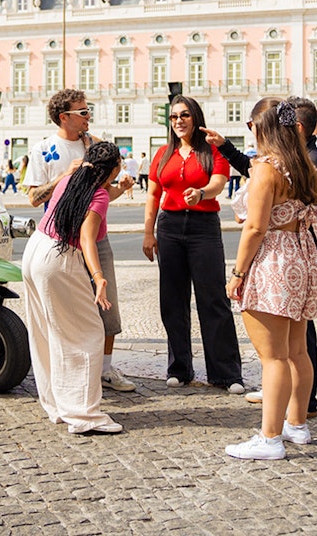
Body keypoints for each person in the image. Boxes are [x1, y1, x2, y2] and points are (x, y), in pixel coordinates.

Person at [203, 96, 317, 416]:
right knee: (298, 352)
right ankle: (297, 424)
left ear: (263, 127)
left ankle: (271, 436)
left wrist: (238, 274)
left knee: (273, 358)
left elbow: (256, 228)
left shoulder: (265, 168)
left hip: (274, 258)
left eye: (252, 126)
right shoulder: (302, 164)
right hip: (301, 255)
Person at [25, 89, 136, 392]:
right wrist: (64, 176)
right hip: (63, 242)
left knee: (107, 307)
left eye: (89, 110)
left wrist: (121, 186)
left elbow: (101, 196)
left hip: (97, 237)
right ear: (65, 117)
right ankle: (66, 373)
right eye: (84, 112)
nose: (89, 116)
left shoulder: (95, 145)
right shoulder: (44, 149)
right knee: (65, 311)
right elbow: (34, 197)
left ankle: (106, 369)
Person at [142, 95, 245, 394]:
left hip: (204, 228)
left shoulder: (212, 150)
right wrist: (149, 233)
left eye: (184, 115)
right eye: (174, 117)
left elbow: (218, 183)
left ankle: (225, 373)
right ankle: (179, 368)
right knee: (172, 301)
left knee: (213, 299)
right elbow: (152, 196)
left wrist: (201, 194)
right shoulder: (162, 153)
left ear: (196, 117)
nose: (179, 121)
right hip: (170, 227)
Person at [21, 141, 125, 434]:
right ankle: (84, 416)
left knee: (47, 332)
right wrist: (99, 276)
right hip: (59, 259)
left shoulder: (72, 179)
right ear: (113, 169)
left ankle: (57, 405)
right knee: (88, 334)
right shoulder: (99, 193)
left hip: (36, 249)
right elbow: (87, 238)